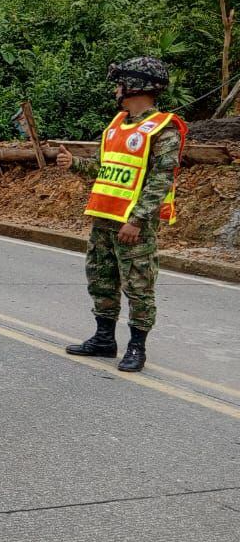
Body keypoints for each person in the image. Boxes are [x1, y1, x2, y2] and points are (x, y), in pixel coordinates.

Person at [58, 57, 186, 373]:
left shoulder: (163, 128)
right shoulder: (116, 124)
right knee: (101, 279)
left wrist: (138, 220)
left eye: (120, 83)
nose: (116, 89)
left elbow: (162, 178)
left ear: (136, 86)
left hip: (134, 225)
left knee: (138, 285)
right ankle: (104, 339)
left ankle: (136, 347)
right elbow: (105, 169)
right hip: (104, 219)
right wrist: (73, 163)